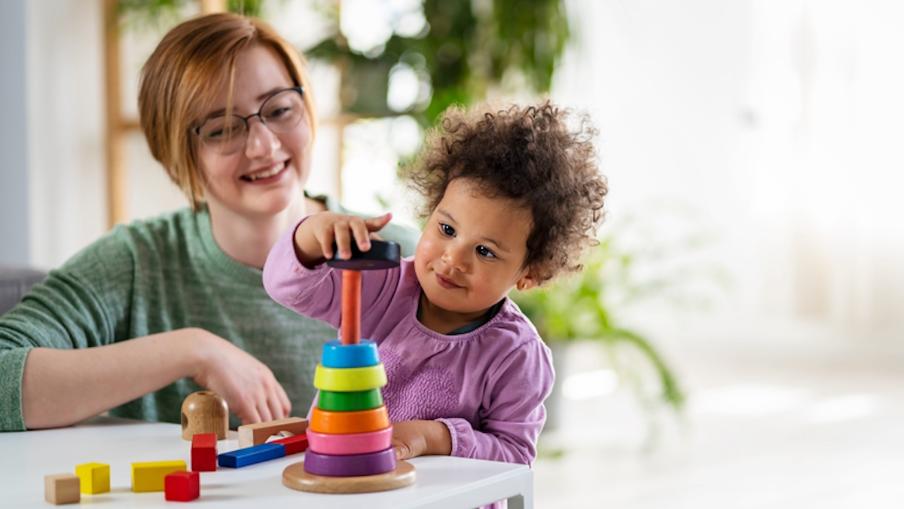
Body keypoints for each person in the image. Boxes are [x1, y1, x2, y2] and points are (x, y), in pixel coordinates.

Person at [0, 13, 417, 432]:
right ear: (178, 153)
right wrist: (191, 350)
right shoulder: (136, 264)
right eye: (221, 130)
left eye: (280, 109)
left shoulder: (406, 259)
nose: (263, 145)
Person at [263, 101, 608, 465]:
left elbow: (515, 455)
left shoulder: (517, 354)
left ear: (529, 272)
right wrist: (311, 237)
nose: (453, 259)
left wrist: (436, 437)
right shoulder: (384, 287)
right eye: (446, 230)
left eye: (485, 251)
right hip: (351, 483)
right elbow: (285, 285)